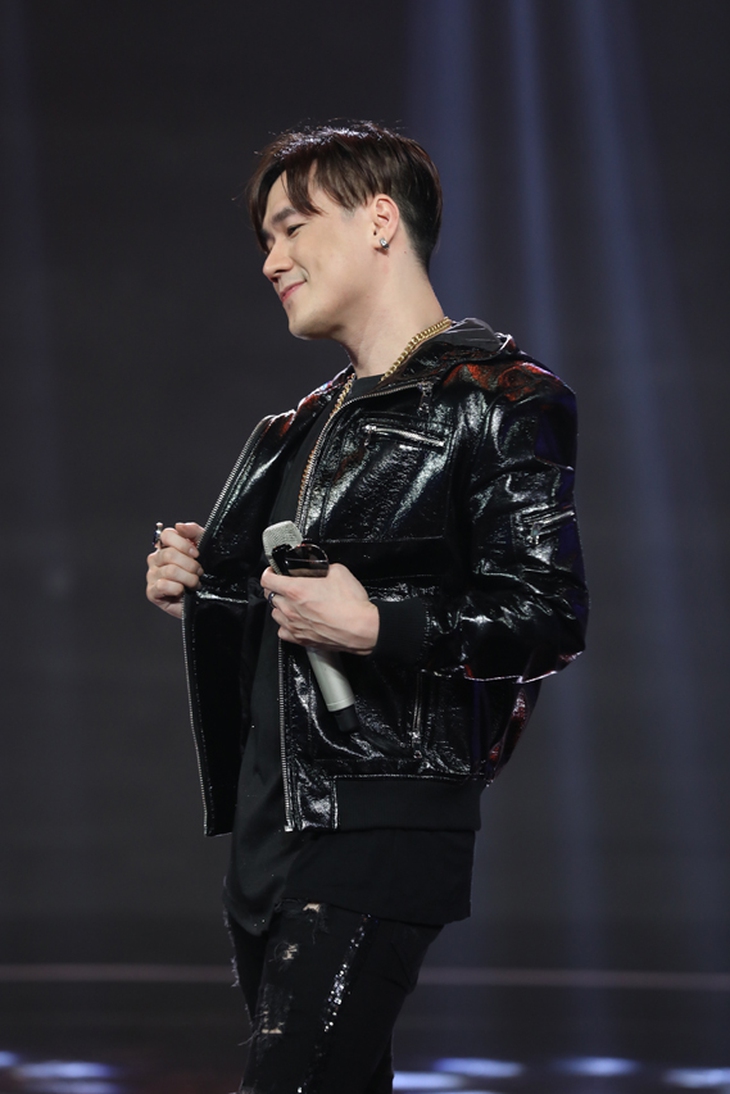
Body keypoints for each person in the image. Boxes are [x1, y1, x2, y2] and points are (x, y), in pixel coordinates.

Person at [145, 121, 588, 1094]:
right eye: (266, 238)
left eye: (292, 227)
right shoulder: (291, 428)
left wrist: (377, 623)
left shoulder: (497, 399)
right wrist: (204, 593)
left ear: (380, 219)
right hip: (270, 829)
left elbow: (548, 612)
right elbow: (279, 620)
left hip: (381, 822)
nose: (272, 260)